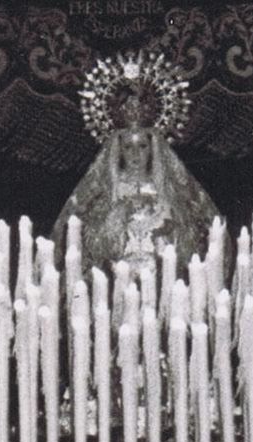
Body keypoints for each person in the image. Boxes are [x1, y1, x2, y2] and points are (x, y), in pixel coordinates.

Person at [52, 51, 219, 275]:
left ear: (153, 149)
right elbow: (82, 228)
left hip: (161, 269)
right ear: (118, 150)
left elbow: (197, 222)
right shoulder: (107, 185)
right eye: (128, 147)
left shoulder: (167, 185)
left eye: (142, 147)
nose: (135, 155)